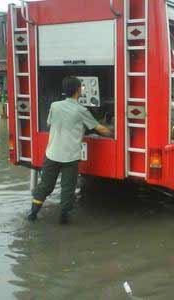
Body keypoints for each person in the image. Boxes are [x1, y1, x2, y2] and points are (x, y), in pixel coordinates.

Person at [28, 76, 112, 224]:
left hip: (52, 154)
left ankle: (32, 215)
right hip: (70, 158)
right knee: (67, 190)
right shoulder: (81, 110)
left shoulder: (54, 106)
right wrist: (114, 133)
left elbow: (49, 124)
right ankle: (63, 220)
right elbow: (100, 129)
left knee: (45, 186)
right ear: (79, 90)